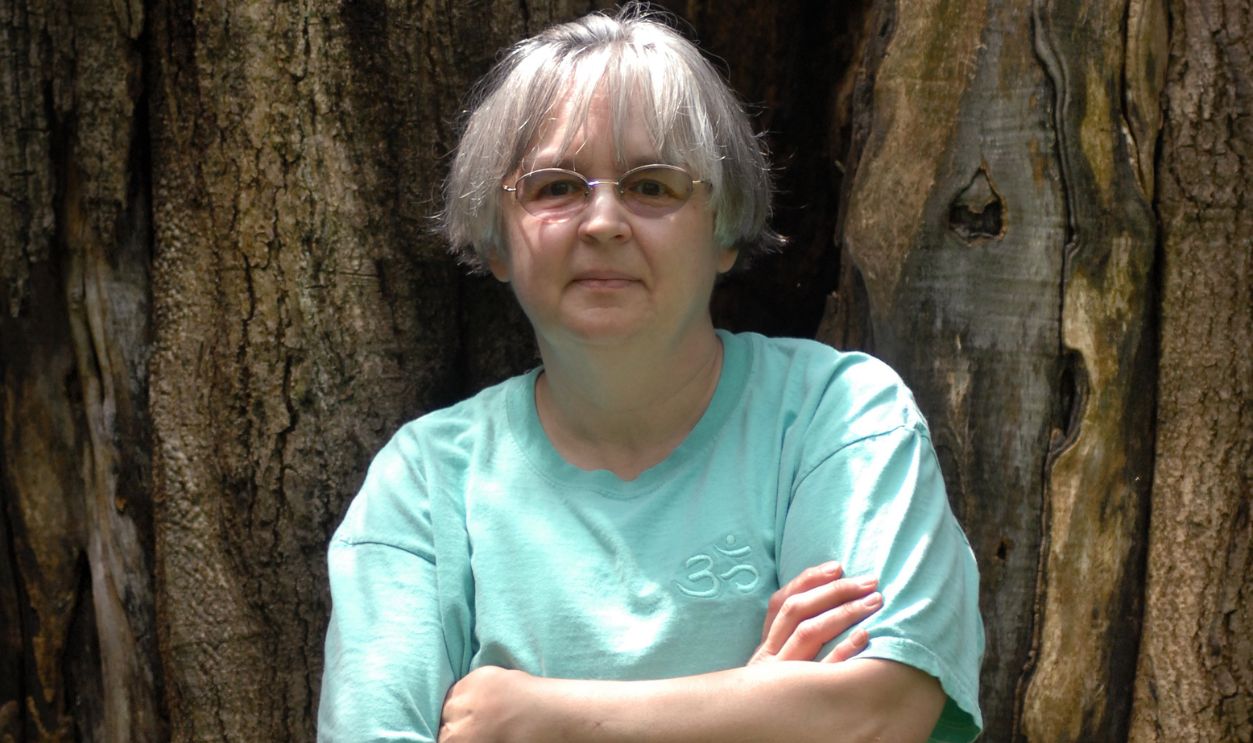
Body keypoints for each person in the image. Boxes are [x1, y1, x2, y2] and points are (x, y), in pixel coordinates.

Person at [318, 6, 983, 742]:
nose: (603, 221)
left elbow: (881, 709)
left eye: (652, 186)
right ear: (495, 240)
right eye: (554, 188)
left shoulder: (836, 417)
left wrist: (538, 719)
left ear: (725, 228)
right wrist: (757, 704)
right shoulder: (424, 485)